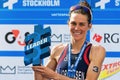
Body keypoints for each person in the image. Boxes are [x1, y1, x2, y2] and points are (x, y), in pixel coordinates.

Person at [32, 0, 106, 80]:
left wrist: (55, 76)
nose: (77, 28)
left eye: (81, 24)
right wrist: (36, 60)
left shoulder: (96, 51)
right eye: (73, 23)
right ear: (68, 24)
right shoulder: (58, 50)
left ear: (89, 26)